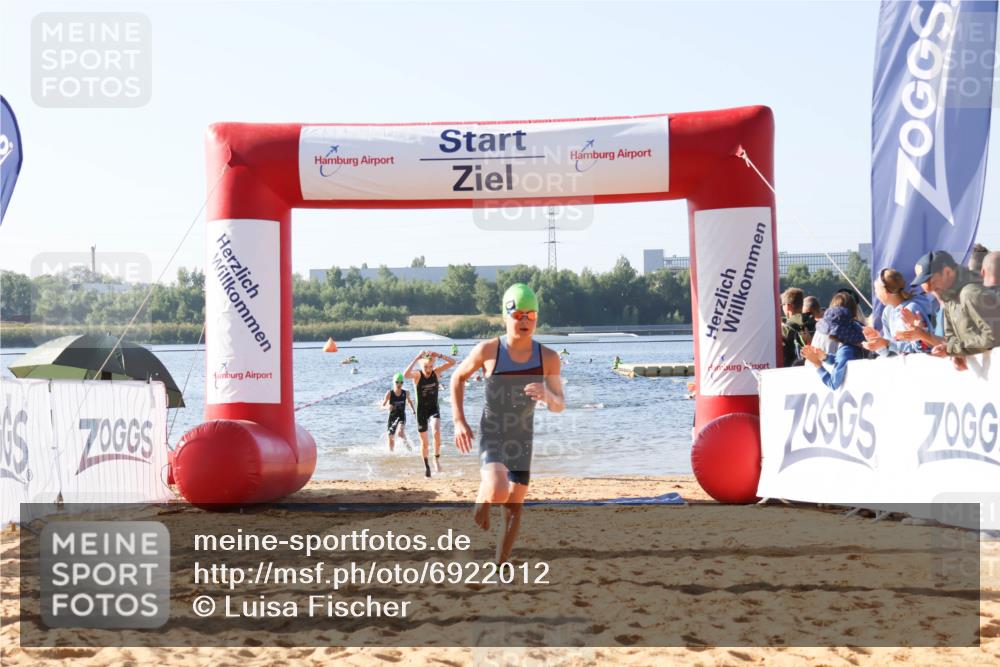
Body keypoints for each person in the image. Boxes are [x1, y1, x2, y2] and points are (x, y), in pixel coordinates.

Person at [450, 283, 564, 563]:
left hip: (522, 438)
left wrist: (547, 395)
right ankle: (482, 500)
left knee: (514, 507)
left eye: (531, 315)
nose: (524, 321)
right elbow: (457, 378)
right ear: (505, 316)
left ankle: (500, 566)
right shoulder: (489, 350)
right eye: (518, 314)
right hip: (493, 433)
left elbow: (560, 404)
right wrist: (459, 421)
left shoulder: (548, 358)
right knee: (499, 489)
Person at [911, 250, 1000, 369]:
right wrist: (955, 353)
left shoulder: (970, 293)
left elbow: (993, 337)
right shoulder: (948, 297)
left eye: (934, 285)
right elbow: (951, 338)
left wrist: (953, 349)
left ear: (947, 272)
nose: (932, 292)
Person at [404, 349, 456, 476]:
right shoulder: (417, 375)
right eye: (426, 367)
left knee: (437, 432)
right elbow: (405, 375)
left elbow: (453, 362)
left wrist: (439, 354)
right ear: (422, 366)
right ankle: (426, 466)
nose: (428, 369)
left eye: (431, 366)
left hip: (433, 408)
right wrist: (417, 358)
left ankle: (436, 459)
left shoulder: (436, 372)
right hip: (421, 411)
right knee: (425, 443)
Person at [861, 268, 933, 356]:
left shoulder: (912, 309)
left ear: (886, 292)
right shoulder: (887, 312)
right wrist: (877, 342)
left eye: (877, 290)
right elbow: (888, 353)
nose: (876, 295)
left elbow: (923, 348)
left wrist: (888, 344)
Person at [801, 305, 867, 390]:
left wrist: (817, 365)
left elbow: (833, 384)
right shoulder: (854, 344)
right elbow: (843, 361)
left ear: (833, 334)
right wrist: (825, 357)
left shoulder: (845, 351)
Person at [779, 287, 815, 367]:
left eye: (782, 305)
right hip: (812, 368)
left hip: (792, 370)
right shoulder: (813, 323)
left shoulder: (785, 329)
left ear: (788, 306)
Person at [380, 372, 415, 452]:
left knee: (400, 433)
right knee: (391, 439)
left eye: (401, 382)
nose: (399, 384)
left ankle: (410, 450)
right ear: (393, 382)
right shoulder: (389, 393)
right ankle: (392, 455)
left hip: (401, 416)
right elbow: (381, 407)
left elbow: (409, 401)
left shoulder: (406, 393)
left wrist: (413, 410)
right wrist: (387, 407)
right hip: (392, 417)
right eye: (397, 382)